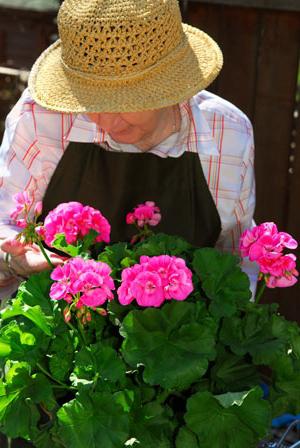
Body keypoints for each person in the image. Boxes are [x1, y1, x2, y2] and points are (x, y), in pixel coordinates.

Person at [0, 0, 258, 299]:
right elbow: (3, 223)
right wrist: (14, 260)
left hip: (173, 340)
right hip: (57, 330)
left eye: (124, 102)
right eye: (90, 100)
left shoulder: (227, 133)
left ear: (170, 86)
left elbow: (236, 258)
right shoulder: (40, 117)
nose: (105, 120)